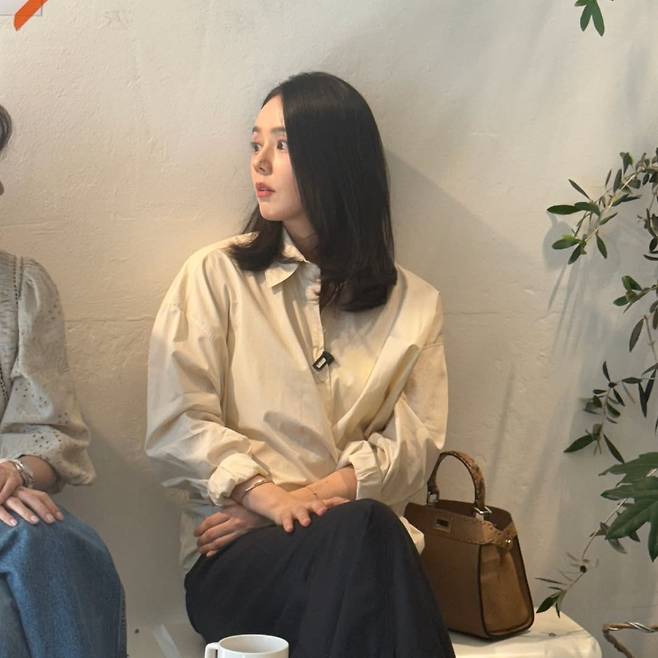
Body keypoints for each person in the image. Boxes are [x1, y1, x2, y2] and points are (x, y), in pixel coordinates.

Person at [146, 72, 455, 658]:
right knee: (368, 530)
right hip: (237, 566)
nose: (259, 162)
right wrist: (265, 498)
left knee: (364, 534)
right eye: (255, 143)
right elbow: (178, 423)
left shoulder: (415, 305)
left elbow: (413, 449)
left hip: (355, 553)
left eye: (283, 145)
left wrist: (290, 507)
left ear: (337, 159)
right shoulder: (215, 277)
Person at [0, 104, 126, 658]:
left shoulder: (20, 287)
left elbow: (52, 433)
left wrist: (13, 472)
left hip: (6, 521)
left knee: (52, 542)